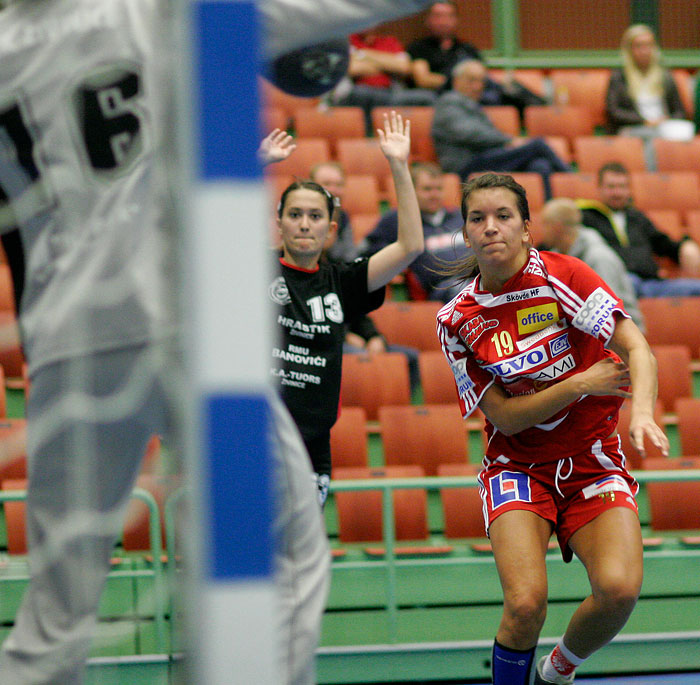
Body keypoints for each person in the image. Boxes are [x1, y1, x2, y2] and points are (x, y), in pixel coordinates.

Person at [0, 0, 436, 681]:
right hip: (176, 320)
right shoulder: (150, 13)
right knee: (291, 552)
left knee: (56, 609)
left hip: (62, 338)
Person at [436, 172, 668, 684]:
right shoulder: (456, 319)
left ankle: (556, 672)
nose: (491, 227)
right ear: (467, 233)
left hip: (592, 459)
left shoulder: (563, 277)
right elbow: (503, 416)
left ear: (526, 229)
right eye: (478, 218)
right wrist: (581, 383)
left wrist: (644, 413)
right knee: (525, 606)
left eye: (503, 216)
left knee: (620, 590)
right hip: (516, 467)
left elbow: (635, 348)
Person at [270, 112, 423, 505]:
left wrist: (398, 166)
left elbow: (410, 247)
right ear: (281, 222)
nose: (305, 224)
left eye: (315, 216)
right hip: (256, 438)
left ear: (330, 228)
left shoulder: (343, 280)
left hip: (313, 442)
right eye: (295, 215)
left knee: (299, 558)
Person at [432, 59, 570, 198]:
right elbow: (471, 133)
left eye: (481, 81)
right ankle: (571, 178)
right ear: (456, 81)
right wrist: (508, 140)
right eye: (471, 80)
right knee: (537, 145)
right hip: (466, 166)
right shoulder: (448, 103)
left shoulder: (473, 104)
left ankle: (548, 210)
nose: (477, 86)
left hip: (486, 159)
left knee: (540, 166)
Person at [578, 162, 700, 297]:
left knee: (696, 287)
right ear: (599, 189)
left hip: (653, 283)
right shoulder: (587, 217)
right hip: (619, 284)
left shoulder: (637, 217)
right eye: (611, 187)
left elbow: (663, 243)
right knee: (629, 284)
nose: (617, 193)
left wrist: (685, 245)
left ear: (629, 190)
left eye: (622, 187)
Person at [406, 0, 545, 118]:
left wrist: (472, 81)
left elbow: (482, 75)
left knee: (507, 88)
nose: (443, 22)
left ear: (455, 20)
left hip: (478, 93)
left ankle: (542, 109)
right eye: (438, 16)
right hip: (446, 96)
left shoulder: (466, 48)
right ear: (428, 20)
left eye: (448, 16)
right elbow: (423, 79)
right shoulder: (419, 48)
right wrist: (460, 81)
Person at [360, 161, 472, 301]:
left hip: (478, 280)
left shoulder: (460, 216)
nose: (434, 194)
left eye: (438, 188)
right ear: (411, 191)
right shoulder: (397, 220)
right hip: (442, 289)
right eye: (427, 189)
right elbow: (369, 251)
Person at [540, 198, 645, 332]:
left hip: (620, 337)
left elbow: (610, 313)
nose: (541, 230)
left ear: (557, 227)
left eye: (545, 224)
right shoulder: (556, 257)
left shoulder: (598, 258)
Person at [605, 24, 689, 168]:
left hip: (664, 128)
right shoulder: (619, 77)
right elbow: (614, 112)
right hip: (633, 128)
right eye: (639, 46)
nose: (644, 51)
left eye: (649, 45)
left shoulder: (665, 76)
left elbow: (680, 111)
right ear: (629, 49)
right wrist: (645, 122)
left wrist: (665, 120)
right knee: (652, 139)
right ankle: (652, 179)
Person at [331, 29, 436, 133]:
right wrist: (386, 63)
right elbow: (350, 68)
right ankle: (369, 138)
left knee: (427, 96)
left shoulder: (389, 42)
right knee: (362, 94)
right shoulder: (347, 41)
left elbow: (404, 67)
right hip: (357, 91)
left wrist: (363, 54)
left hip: (391, 93)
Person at [309, 161, 359, 262]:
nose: (333, 190)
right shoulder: (300, 216)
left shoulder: (342, 215)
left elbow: (349, 256)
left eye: (339, 185)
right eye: (326, 184)